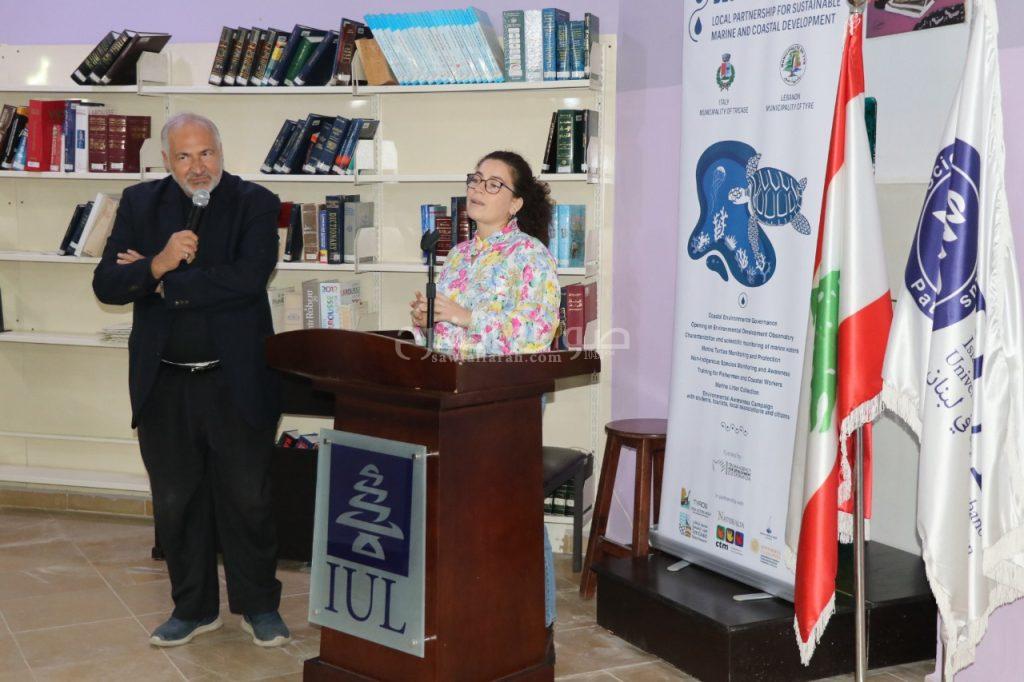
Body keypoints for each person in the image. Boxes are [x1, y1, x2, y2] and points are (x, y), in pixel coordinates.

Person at [92, 112, 290, 648]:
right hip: (163, 383)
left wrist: (161, 283)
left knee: (248, 498)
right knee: (176, 501)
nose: (197, 166)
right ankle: (193, 608)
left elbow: (248, 279)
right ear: (166, 160)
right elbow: (108, 284)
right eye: (184, 156)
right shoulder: (140, 203)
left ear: (221, 152)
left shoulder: (255, 202)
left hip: (236, 381)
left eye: (206, 153)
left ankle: (259, 606)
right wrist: (158, 263)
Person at [409, 150, 561, 626]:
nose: (478, 188)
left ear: (516, 203)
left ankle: (539, 623)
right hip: (453, 395)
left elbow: (535, 333)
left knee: (510, 512)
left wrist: (463, 315)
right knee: (459, 512)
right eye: (476, 179)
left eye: (494, 183)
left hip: (505, 401)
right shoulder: (457, 255)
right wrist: (425, 321)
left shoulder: (530, 256)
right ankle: (471, 612)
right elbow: (445, 334)